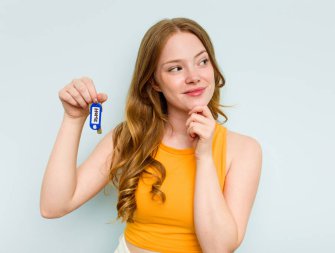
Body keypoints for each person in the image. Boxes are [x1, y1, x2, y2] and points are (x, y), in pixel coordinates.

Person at [40, 17, 262, 253]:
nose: (194, 76)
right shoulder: (131, 136)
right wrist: (73, 119)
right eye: (176, 68)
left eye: (202, 61)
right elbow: (53, 206)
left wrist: (205, 156)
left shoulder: (244, 150)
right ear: (154, 82)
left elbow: (219, 249)